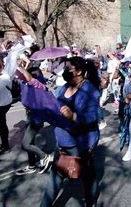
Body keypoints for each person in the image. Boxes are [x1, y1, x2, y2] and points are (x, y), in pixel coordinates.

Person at [41, 57, 100, 207]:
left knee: (87, 175)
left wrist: (73, 116)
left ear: (79, 71)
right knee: (56, 177)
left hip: (80, 143)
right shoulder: (64, 87)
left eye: (68, 68)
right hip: (62, 140)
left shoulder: (90, 90)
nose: (65, 71)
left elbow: (93, 117)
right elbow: (55, 104)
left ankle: (91, 201)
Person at [15, 65, 53, 175]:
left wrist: (21, 67)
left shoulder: (38, 85)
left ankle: (45, 156)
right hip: (30, 117)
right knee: (29, 142)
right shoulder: (27, 86)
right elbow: (21, 78)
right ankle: (32, 165)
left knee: (25, 144)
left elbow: (30, 79)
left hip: (37, 118)